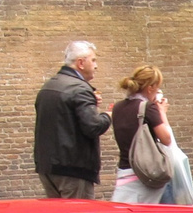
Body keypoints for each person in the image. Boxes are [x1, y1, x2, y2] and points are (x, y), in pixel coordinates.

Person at [33, 41, 111, 200]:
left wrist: (89, 103)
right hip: (73, 168)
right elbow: (94, 126)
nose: (96, 66)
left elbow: (62, 116)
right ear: (81, 63)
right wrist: (108, 115)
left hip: (47, 166)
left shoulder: (49, 85)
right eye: (93, 60)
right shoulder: (80, 89)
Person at [110, 65, 177, 203]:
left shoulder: (117, 107)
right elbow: (166, 139)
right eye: (157, 86)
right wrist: (161, 112)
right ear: (150, 87)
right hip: (147, 173)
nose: (158, 90)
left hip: (124, 172)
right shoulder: (148, 108)